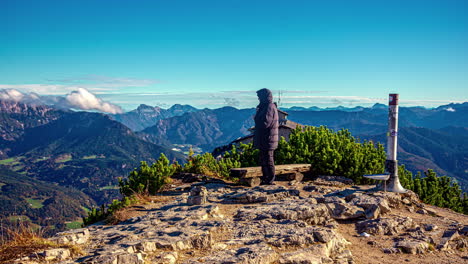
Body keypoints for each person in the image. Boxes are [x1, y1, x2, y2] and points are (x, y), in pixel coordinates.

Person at [253, 88, 279, 185]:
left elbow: (265, 123)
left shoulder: (269, 107)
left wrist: (256, 118)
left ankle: (270, 180)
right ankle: (266, 179)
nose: (258, 99)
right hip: (267, 138)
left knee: (268, 159)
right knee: (264, 159)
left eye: (259, 97)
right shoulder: (268, 106)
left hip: (268, 138)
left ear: (264, 97)